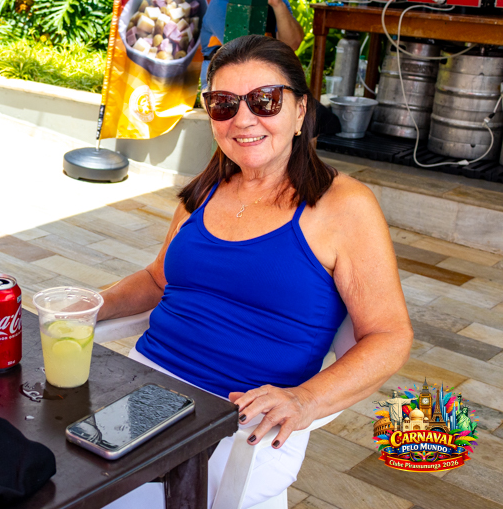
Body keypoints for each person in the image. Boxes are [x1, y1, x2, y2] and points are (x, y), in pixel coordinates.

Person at [100, 35, 413, 508]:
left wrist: (306, 400)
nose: (243, 119)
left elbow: (389, 335)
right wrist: (90, 304)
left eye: (265, 101)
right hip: (149, 392)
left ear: (301, 111)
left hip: (246, 419)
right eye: (224, 104)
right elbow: (157, 280)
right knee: (50, 472)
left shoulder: (342, 206)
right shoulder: (206, 190)